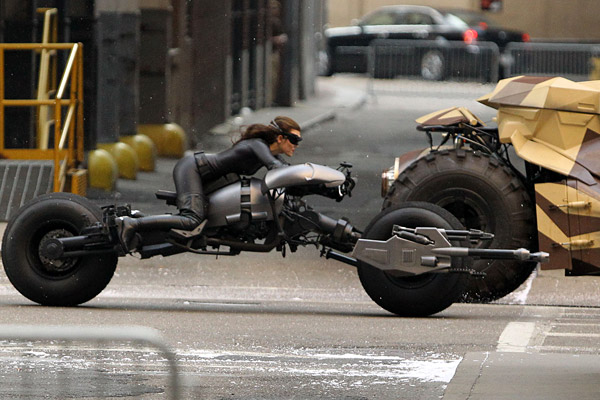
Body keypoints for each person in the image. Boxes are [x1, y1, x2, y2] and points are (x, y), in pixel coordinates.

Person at [116, 116, 302, 253]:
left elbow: (287, 171)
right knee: (191, 219)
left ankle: (147, 234)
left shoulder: (270, 153)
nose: (296, 145)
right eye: (294, 140)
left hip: (207, 179)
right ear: (280, 138)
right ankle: (132, 223)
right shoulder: (258, 145)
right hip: (193, 169)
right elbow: (277, 168)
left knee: (202, 227)